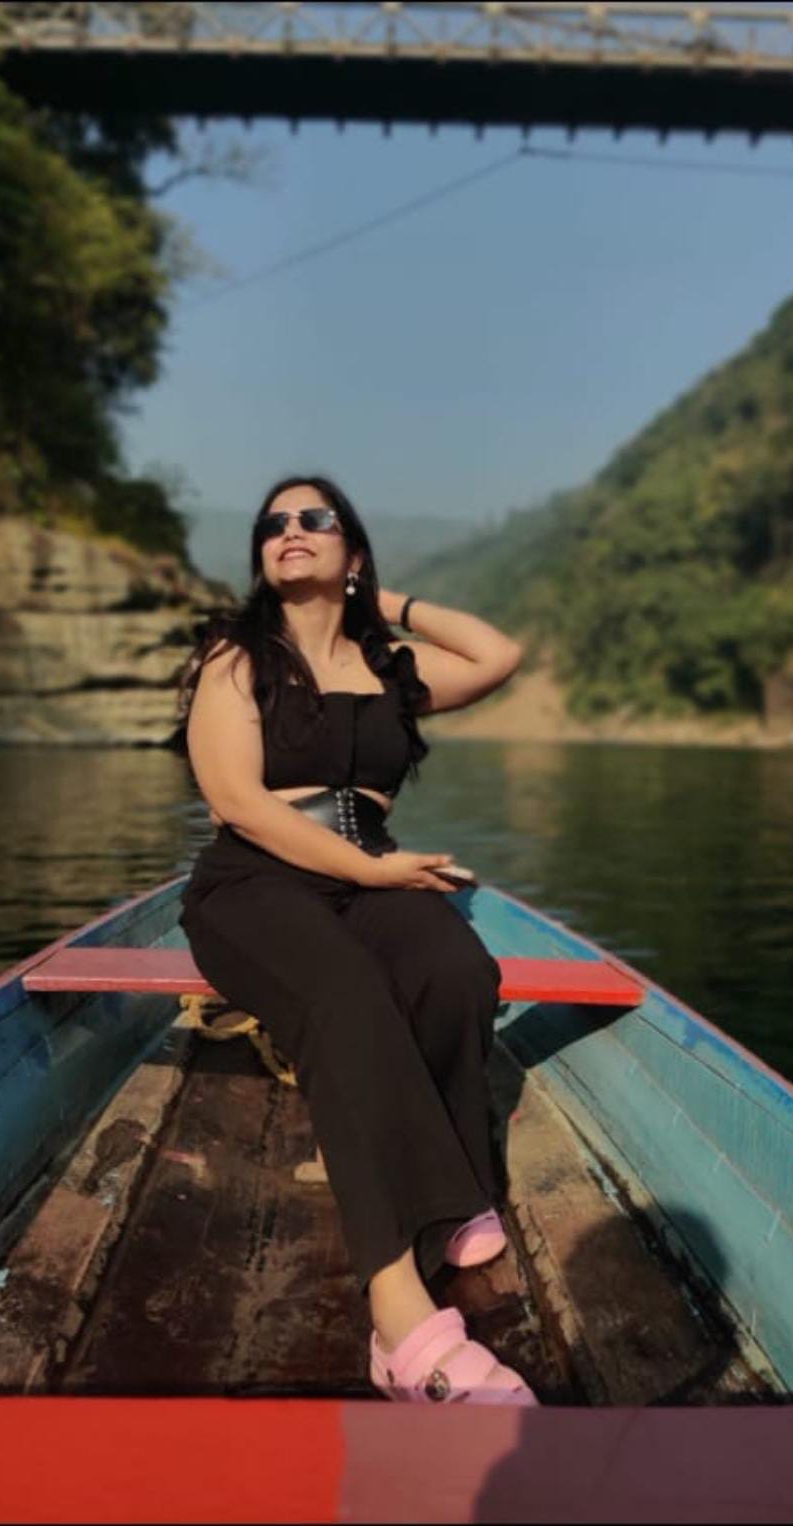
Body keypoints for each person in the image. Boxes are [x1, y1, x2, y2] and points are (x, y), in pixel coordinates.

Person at [174, 473, 536, 1407]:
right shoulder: (235, 656)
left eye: (315, 519)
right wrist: (372, 873)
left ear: (352, 551)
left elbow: (500, 655)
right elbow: (236, 803)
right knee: (343, 995)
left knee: (459, 967)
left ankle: (449, 1196)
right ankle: (399, 1322)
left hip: (367, 869)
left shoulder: (391, 670)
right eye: (273, 524)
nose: (289, 531)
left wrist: (386, 603)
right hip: (256, 880)